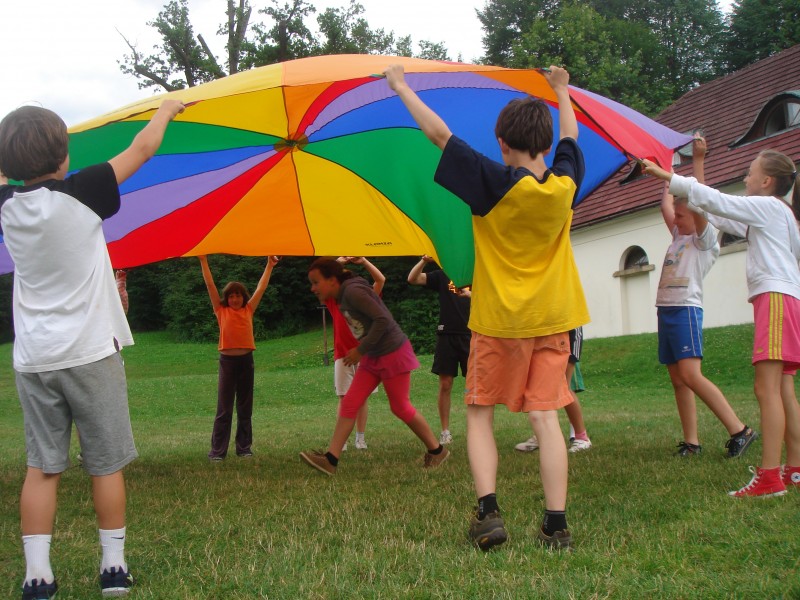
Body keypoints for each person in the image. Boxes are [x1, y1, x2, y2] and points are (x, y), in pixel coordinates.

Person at [385, 64, 589, 551]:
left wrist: (400, 87)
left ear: (502, 143)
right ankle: (556, 525)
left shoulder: (492, 181)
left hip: (499, 321)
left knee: (479, 413)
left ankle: (489, 514)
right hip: (553, 319)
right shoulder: (564, 186)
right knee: (547, 417)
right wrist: (561, 90)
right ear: (544, 145)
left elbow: (440, 136)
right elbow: (572, 136)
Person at [0, 100, 184, 599]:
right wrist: (166, 110)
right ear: (64, 157)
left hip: (34, 360)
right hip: (90, 353)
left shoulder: (6, 206)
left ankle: (38, 577)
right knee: (104, 464)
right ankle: (113, 568)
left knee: (42, 467)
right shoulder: (85, 191)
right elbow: (142, 148)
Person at [643, 148, 800, 497]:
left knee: (767, 390)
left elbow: (718, 202)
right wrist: (688, 191)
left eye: (750, 173)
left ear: (766, 181)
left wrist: (667, 176)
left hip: (775, 299)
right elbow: (716, 212)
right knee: (783, 389)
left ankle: (770, 477)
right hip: (786, 300)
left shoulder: (768, 206)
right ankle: (794, 470)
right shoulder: (779, 214)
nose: (745, 178)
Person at [300, 258, 449, 474]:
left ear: (332, 280)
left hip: (392, 353)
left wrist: (360, 350)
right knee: (350, 402)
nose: (312, 288)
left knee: (400, 407)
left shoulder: (353, 292)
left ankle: (437, 451)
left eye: (316, 282)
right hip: (373, 355)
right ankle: (330, 459)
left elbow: (382, 320)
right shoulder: (343, 292)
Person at [656, 136, 756, 458]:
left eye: (681, 215)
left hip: (685, 310)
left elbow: (699, 202)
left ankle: (740, 430)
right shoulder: (678, 235)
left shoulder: (704, 240)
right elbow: (666, 205)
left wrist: (697, 162)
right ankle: (692, 442)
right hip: (666, 311)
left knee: (690, 375)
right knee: (678, 379)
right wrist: (665, 166)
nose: (675, 219)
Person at [199, 255, 279, 461]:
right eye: (232, 296)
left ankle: (244, 448)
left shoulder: (248, 310)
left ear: (244, 297)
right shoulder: (220, 310)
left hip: (246, 362)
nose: (235, 299)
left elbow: (261, 287)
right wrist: (203, 261)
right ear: (227, 298)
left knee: (245, 407)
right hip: (227, 363)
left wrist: (269, 265)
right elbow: (210, 285)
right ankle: (217, 451)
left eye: (238, 296)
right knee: (224, 409)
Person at [407, 255, 471, 445]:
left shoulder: (476, 274)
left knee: (474, 386)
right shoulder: (443, 275)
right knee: (445, 384)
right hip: (446, 335)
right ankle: (445, 431)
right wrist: (424, 261)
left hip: (471, 335)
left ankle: (476, 429)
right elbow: (413, 279)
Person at [328, 256, 386, 450]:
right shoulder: (334, 301)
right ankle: (342, 439)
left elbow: (380, 280)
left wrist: (363, 261)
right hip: (343, 355)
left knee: (362, 398)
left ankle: (360, 438)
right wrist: (340, 262)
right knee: (344, 398)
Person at [515, 327, 593, 453]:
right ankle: (542, 435)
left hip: (568, 339)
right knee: (541, 391)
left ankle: (582, 437)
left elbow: (576, 326)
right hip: (546, 339)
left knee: (564, 387)